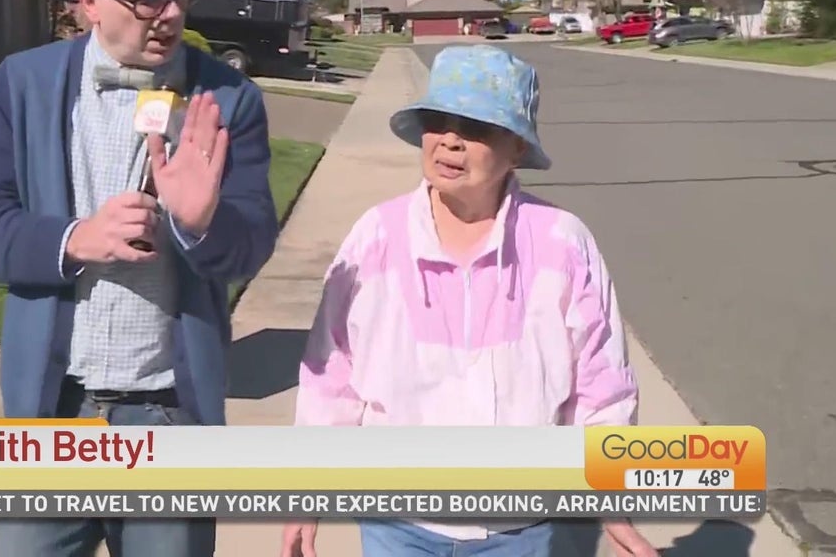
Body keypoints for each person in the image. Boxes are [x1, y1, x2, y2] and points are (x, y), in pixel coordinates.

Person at [0, 0, 279, 557]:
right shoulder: (22, 85)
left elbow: (251, 243)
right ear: (89, 1)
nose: (172, 14)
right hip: (53, 413)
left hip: (169, 414)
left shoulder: (229, 99)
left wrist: (201, 223)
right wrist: (75, 240)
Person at [280, 45, 658, 557]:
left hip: (522, 530)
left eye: (477, 126)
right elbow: (332, 378)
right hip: (396, 524)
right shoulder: (376, 238)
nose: (450, 141)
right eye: (438, 121)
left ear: (517, 148)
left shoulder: (562, 243)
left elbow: (602, 389)